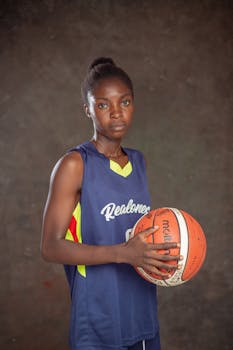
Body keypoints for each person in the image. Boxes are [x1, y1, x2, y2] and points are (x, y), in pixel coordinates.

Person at [41, 57, 182, 350]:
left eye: (125, 102)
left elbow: (141, 235)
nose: (116, 113)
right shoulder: (75, 164)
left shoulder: (139, 161)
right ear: (88, 110)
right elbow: (50, 247)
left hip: (141, 308)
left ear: (134, 104)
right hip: (99, 316)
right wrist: (123, 253)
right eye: (103, 104)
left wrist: (164, 254)